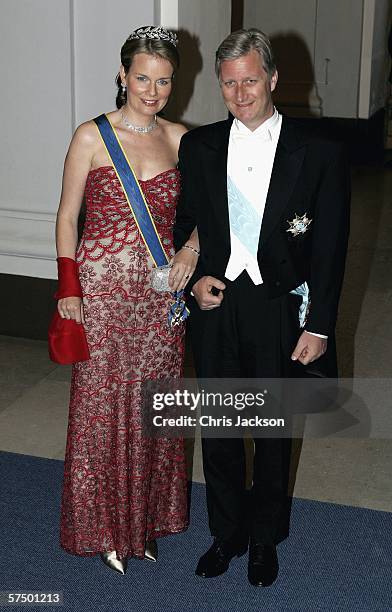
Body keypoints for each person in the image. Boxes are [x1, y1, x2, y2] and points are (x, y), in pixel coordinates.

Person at [174, 28, 350, 587]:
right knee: (221, 429)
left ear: (272, 79)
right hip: (219, 303)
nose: (241, 93)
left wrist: (319, 325)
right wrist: (193, 284)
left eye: (250, 80)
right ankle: (225, 533)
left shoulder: (318, 150)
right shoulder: (199, 147)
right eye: (229, 83)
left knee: (273, 430)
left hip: (279, 305)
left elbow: (330, 246)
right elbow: (187, 226)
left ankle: (265, 538)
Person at [55, 26, 199, 575]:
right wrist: (69, 288)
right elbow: (68, 216)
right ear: (122, 75)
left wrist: (190, 251)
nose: (152, 90)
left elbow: (211, 217)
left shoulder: (184, 140)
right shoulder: (91, 136)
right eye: (142, 77)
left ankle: (143, 521)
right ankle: (103, 528)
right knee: (101, 406)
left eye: (163, 80)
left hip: (160, 297)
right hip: (101, 291)